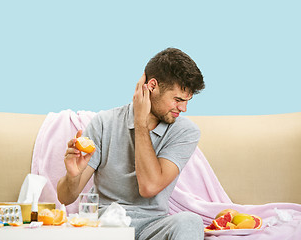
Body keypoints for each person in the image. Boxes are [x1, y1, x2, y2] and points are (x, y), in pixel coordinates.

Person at [57, 47, 205, 239]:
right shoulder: (104, 122)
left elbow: (149, 187)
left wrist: (140, 123)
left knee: (190, 222)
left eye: (187, 101)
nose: (183, 108)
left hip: (153, 226)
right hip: (107, 226)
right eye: (177, 99)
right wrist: (72, 176)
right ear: (152, 86)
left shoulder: (185, 131)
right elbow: (65, 197)